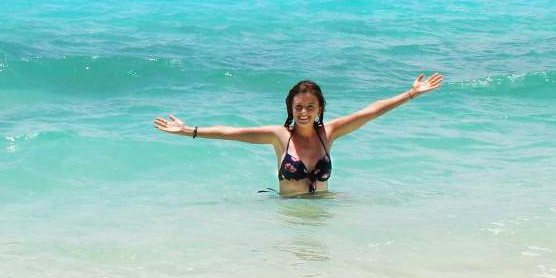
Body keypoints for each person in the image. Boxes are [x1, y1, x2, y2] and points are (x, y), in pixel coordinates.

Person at [153, 74, 444, 196]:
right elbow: (233, 132)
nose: (304, 112)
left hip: (323, 215)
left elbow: (370, 112)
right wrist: (188, 131)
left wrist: (411, 94)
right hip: (288, 219)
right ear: (291, 108)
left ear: (319, 109)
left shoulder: (328, 133)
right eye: (298, 107)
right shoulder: (280, 136)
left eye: (310, 107)